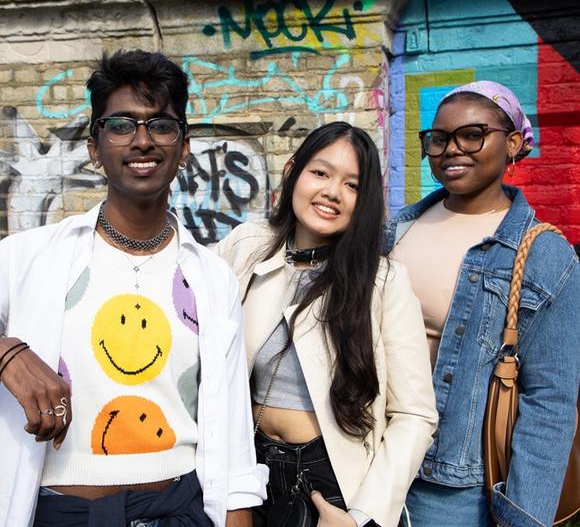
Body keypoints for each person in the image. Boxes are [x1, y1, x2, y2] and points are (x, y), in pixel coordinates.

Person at [0, 49, 266, 527]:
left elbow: (231, 422)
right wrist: (7, 352)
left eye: (160, 125)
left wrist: (238, 514)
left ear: (184, 147)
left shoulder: (210, 276)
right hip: (59, 513)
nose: (142, 140)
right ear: (94, 147)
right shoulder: (29, 256)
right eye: (121, 125)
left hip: (178, 510)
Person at [215, 121, 438, 527]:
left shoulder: (383, 282)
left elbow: (415, 415)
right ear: (292, 172)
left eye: (352, 185)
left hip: (333, 483)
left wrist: (362, 515)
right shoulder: (246, 247)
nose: (333, 192)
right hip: (250, 470)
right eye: (320, 173)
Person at [386, 81, 580, 526]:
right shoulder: (397, 230)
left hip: (452, 490)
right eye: (438, 138)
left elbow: (550, 402)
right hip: (371, 461)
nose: (451, 149)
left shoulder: (545, 255)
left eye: (472, 135)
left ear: (512, 143)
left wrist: (523, 517)